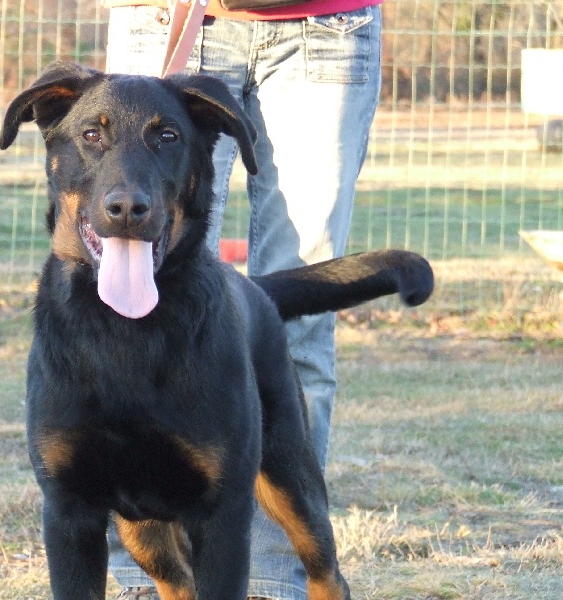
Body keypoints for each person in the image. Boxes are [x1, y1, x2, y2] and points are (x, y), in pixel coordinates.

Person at [102, 0, 384, 598]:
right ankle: (148, 572)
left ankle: (272, 575)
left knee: (296, 333)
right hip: (170, 16)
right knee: (130, 311)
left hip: (326, 26)